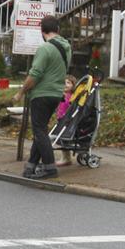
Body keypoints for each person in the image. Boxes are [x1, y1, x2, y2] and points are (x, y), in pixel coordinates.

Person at [13, 15, 70, 179]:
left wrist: (21, 92)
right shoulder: (67, 47)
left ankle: (49, 167)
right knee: (41, 129)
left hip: (41, 94)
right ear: (58, 29)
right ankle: (30, 166)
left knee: (39, 131)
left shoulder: (45, 49)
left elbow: (34, 75)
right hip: (56, 93)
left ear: (42, 30)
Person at [54, 74, 77, 167]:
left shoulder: (71, 97)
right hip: (61, 119)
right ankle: (66, 158)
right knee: (61, 139)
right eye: (64, 83)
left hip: (66, 120)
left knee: (63, 139)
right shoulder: (63, 95)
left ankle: (66, 159)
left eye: (68, 83)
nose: (65, 85)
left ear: (73, 85)